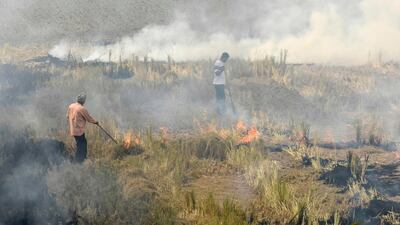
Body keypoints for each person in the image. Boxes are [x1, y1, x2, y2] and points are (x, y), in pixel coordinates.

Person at [66, 94, 98, 163]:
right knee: (82, 144)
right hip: (79, 131)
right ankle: (79, 160)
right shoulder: (82, 109)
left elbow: (67, 116)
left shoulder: (71, 106)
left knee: (81, 143)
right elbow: (89, 118)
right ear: (83, 101)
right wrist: (96, 122)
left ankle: (81, 158)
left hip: (73, 129)